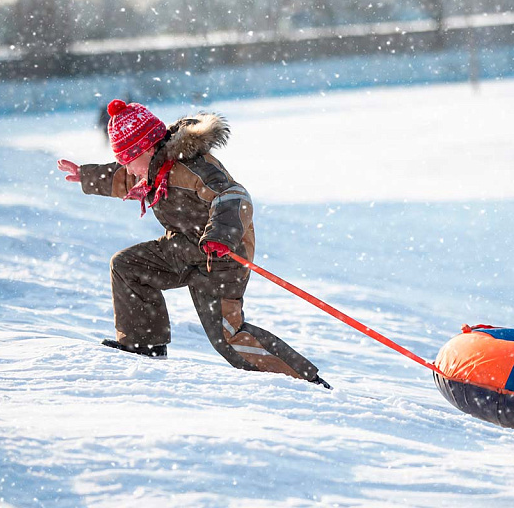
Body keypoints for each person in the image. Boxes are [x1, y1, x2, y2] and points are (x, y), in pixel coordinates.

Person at [58, 99, 330, 389]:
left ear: (147, 149)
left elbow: (233, 197)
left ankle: (305, 381)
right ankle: (144, 345)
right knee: (128, 266)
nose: (128, 169)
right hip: (184, 248)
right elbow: (123, 178)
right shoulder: (151, 168)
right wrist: (86, 175)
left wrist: (219, 236)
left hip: (222, 255)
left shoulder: (192, 168)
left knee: (227, 338)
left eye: (128, 160)